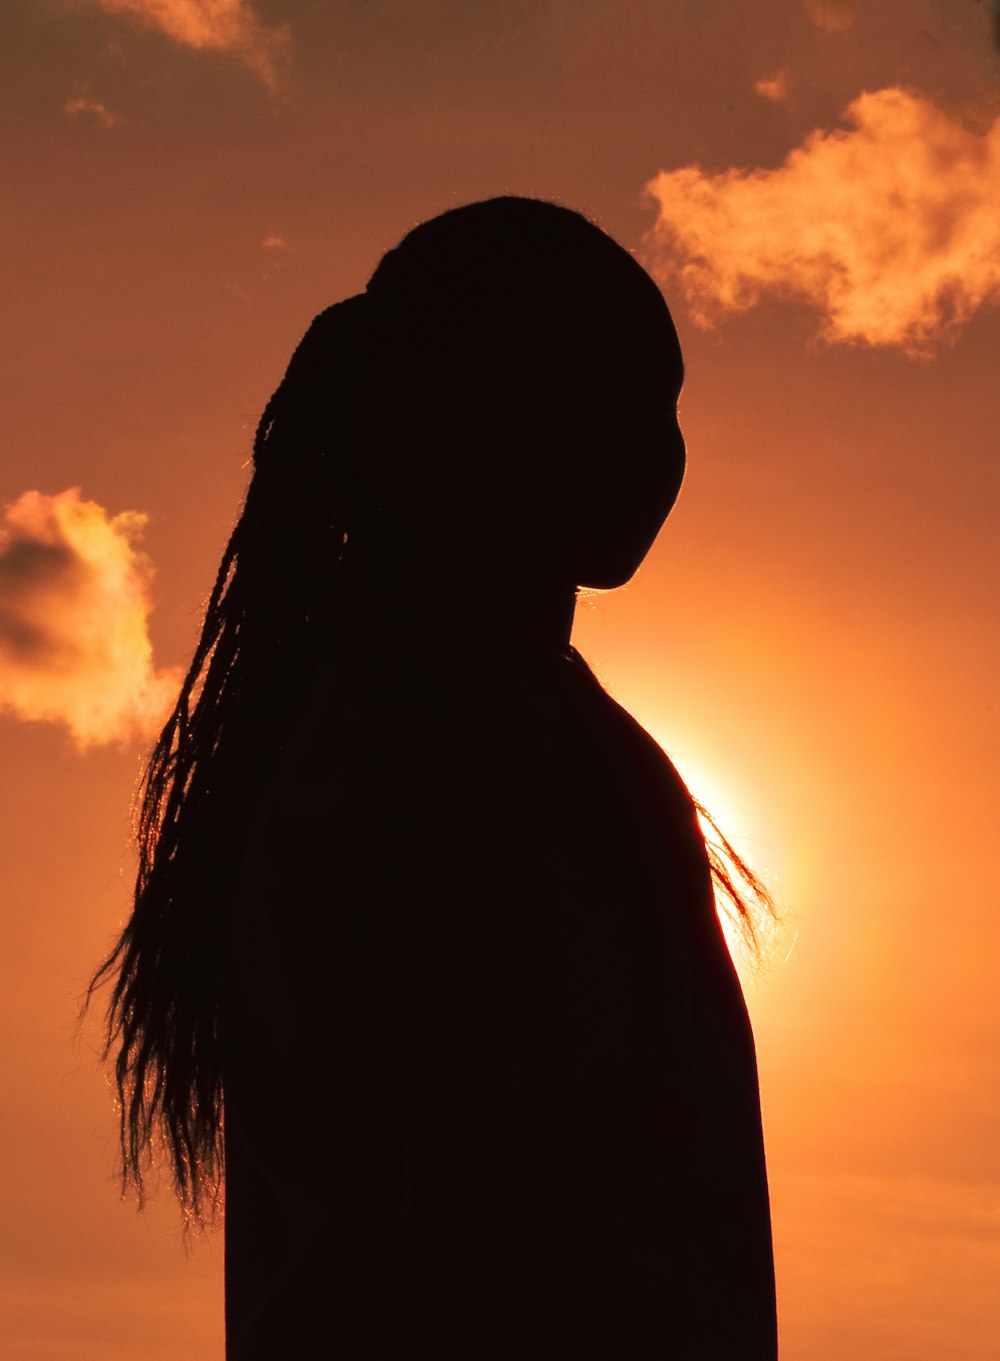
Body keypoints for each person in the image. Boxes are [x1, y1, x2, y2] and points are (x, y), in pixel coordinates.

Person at [90, 196, 778, 1359]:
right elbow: (499, 1190)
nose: (656, 447)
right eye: (609, 392)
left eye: (664, 405)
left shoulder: (466, 711)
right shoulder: (449, 726)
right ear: (476, 409)